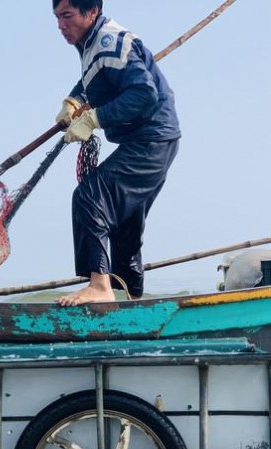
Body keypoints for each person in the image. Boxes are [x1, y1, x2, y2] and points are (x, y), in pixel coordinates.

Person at [52, 0, 181, 306]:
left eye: (67, 16)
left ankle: (100, 287)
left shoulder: (110, 41)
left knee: (89, 197)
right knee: (125, 223)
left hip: (152, 138)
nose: (60, 25)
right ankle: (132, 300)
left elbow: (144, 93)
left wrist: (95, 119)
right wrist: (74, 100)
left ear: (92, 12)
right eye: (57, 18)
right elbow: (99, 77)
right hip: (154, 140)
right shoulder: (91, 43)